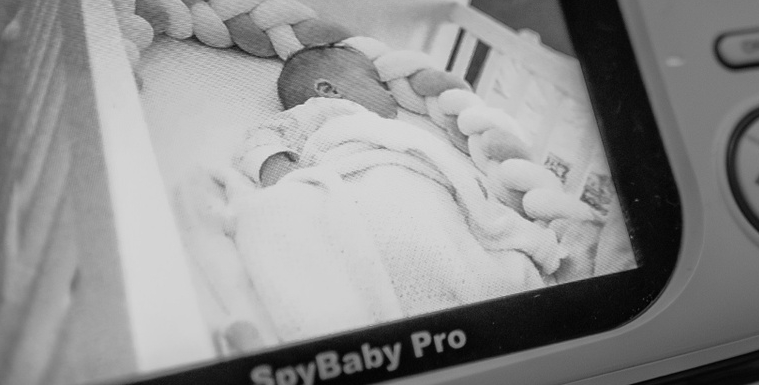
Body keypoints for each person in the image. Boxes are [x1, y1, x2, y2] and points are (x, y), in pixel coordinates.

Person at [219, 44, 612, 346]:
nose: (390, 94)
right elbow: (261, 141)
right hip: (367, 191)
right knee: (413, 254)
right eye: (378, 83)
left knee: (466, 261)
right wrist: (289, 178)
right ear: (327, 89)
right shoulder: (318, 114)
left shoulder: (398, 132)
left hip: (423, 195)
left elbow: (450, 174)